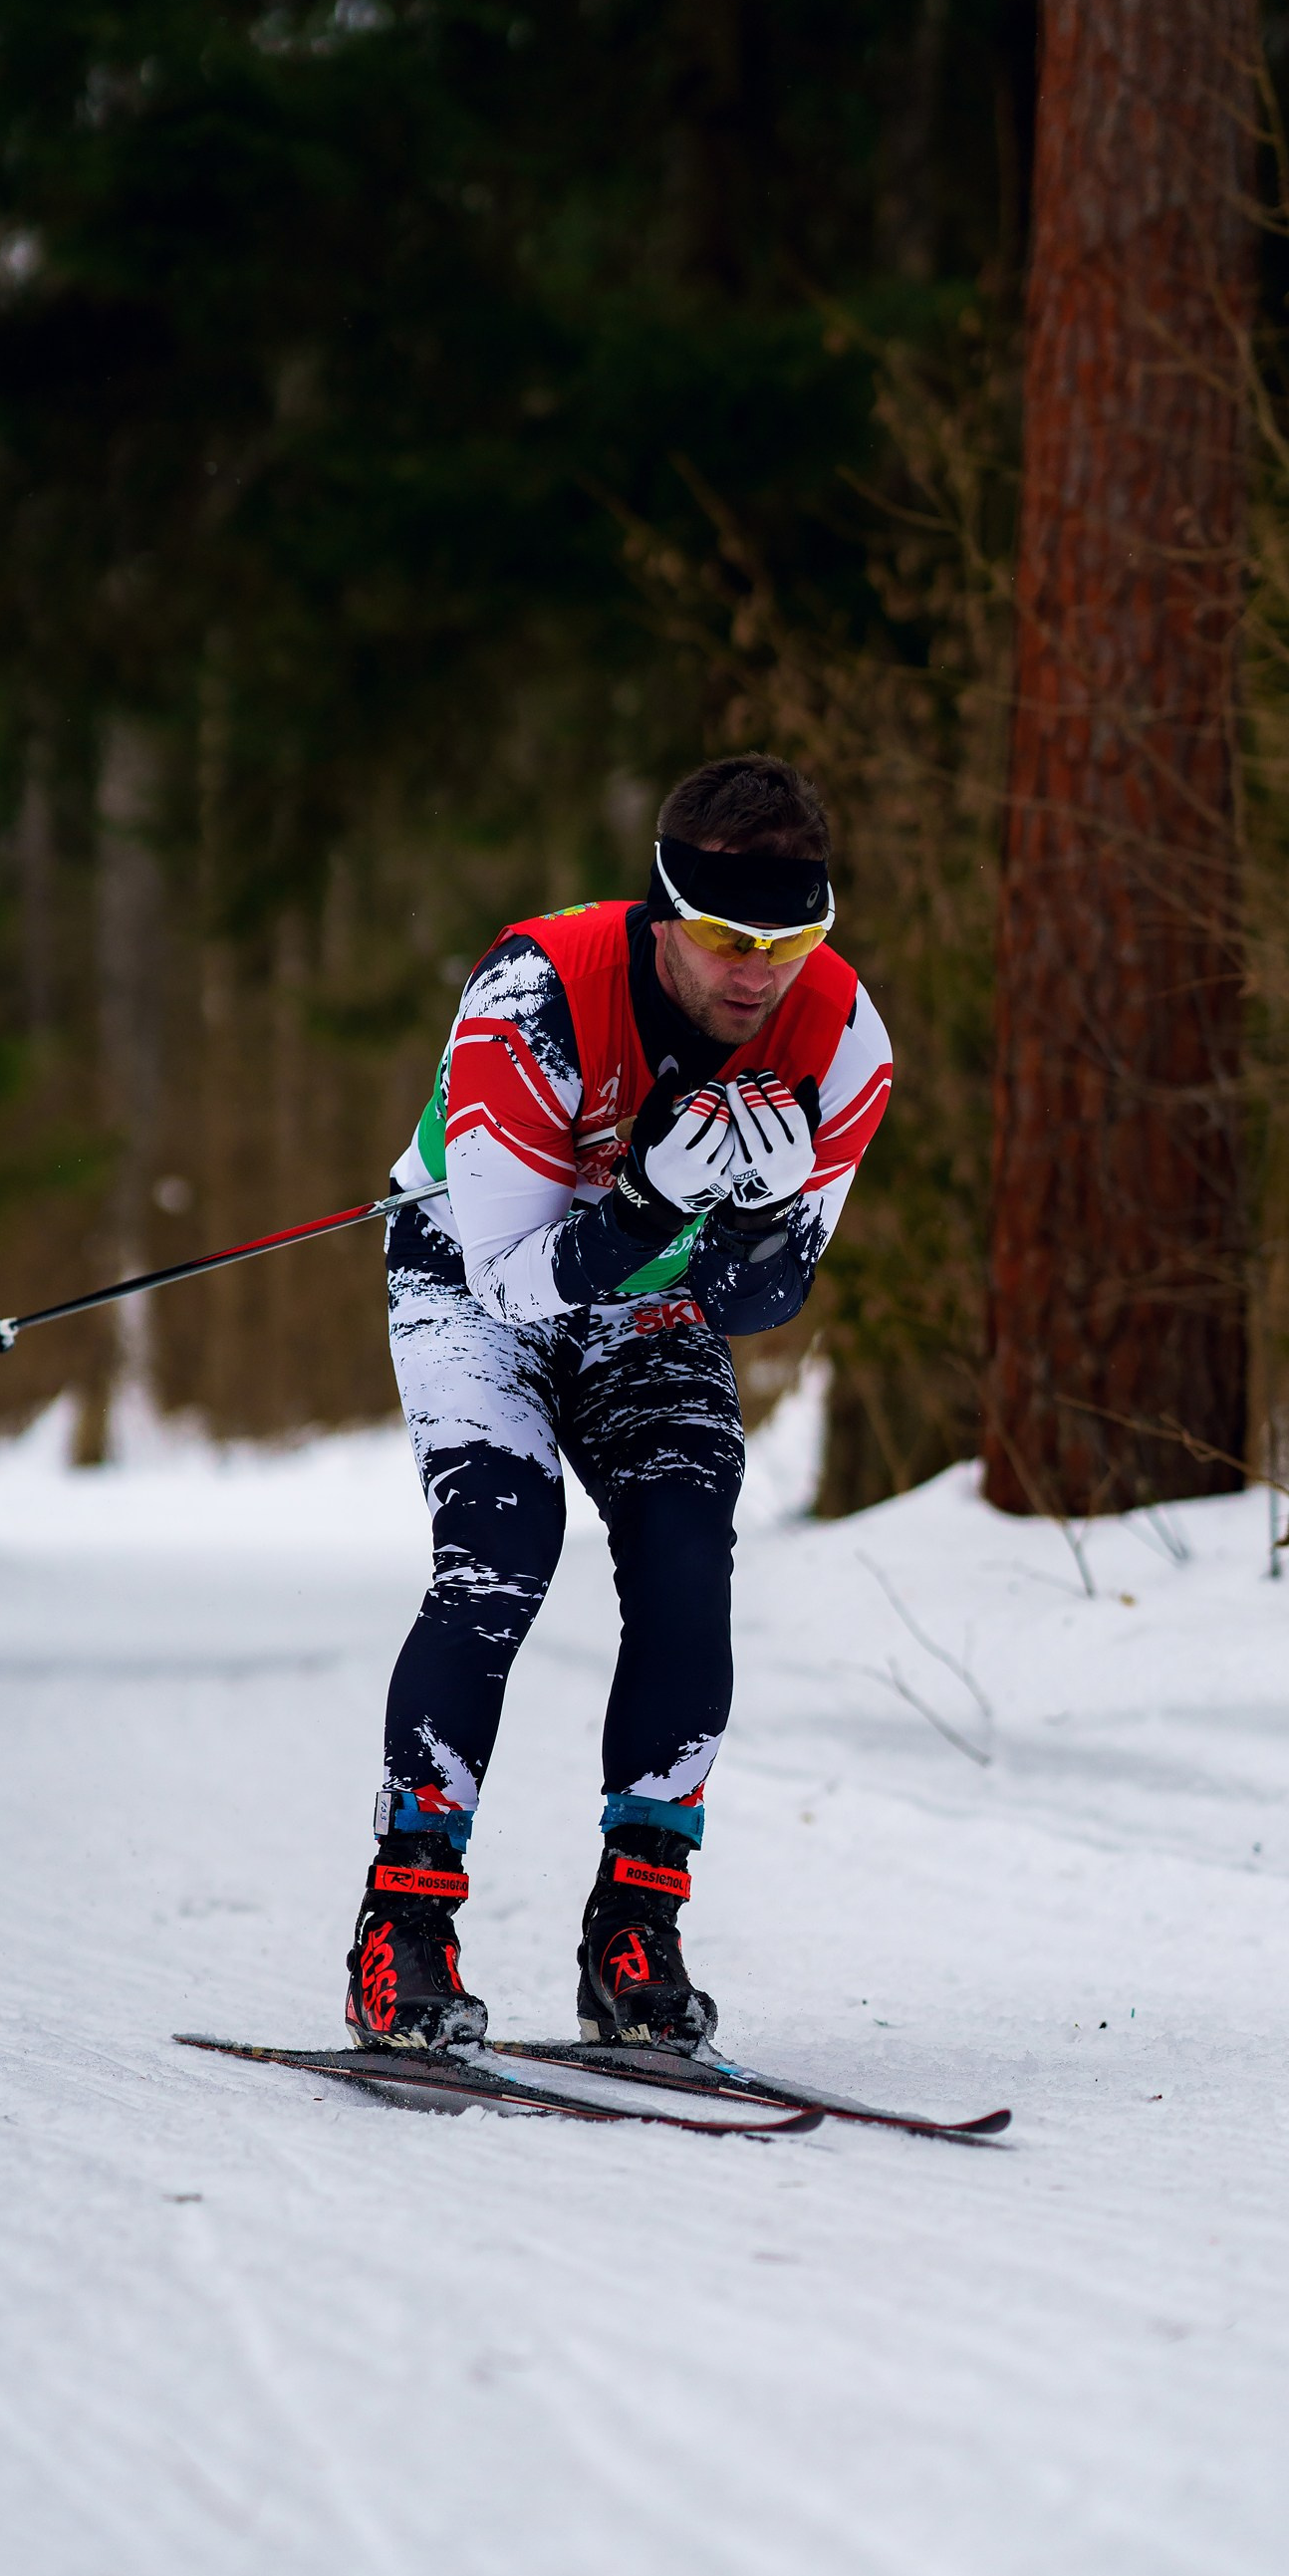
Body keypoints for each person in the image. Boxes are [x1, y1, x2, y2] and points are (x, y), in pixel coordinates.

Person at [350, 753, 892, 2053]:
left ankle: (634, 1932)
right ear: (662, 912)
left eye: (791, 939)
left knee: (686, 1551)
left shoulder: (842, 1036)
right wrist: (649, 1195)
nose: (756, 973)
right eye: (722, 939)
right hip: (475, 1277)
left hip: (653, 1306)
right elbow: (515, 1281)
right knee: (500, 1551)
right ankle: (403, 1925)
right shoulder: (532, 999)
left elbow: (767, 1301)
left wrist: (756, 1225)